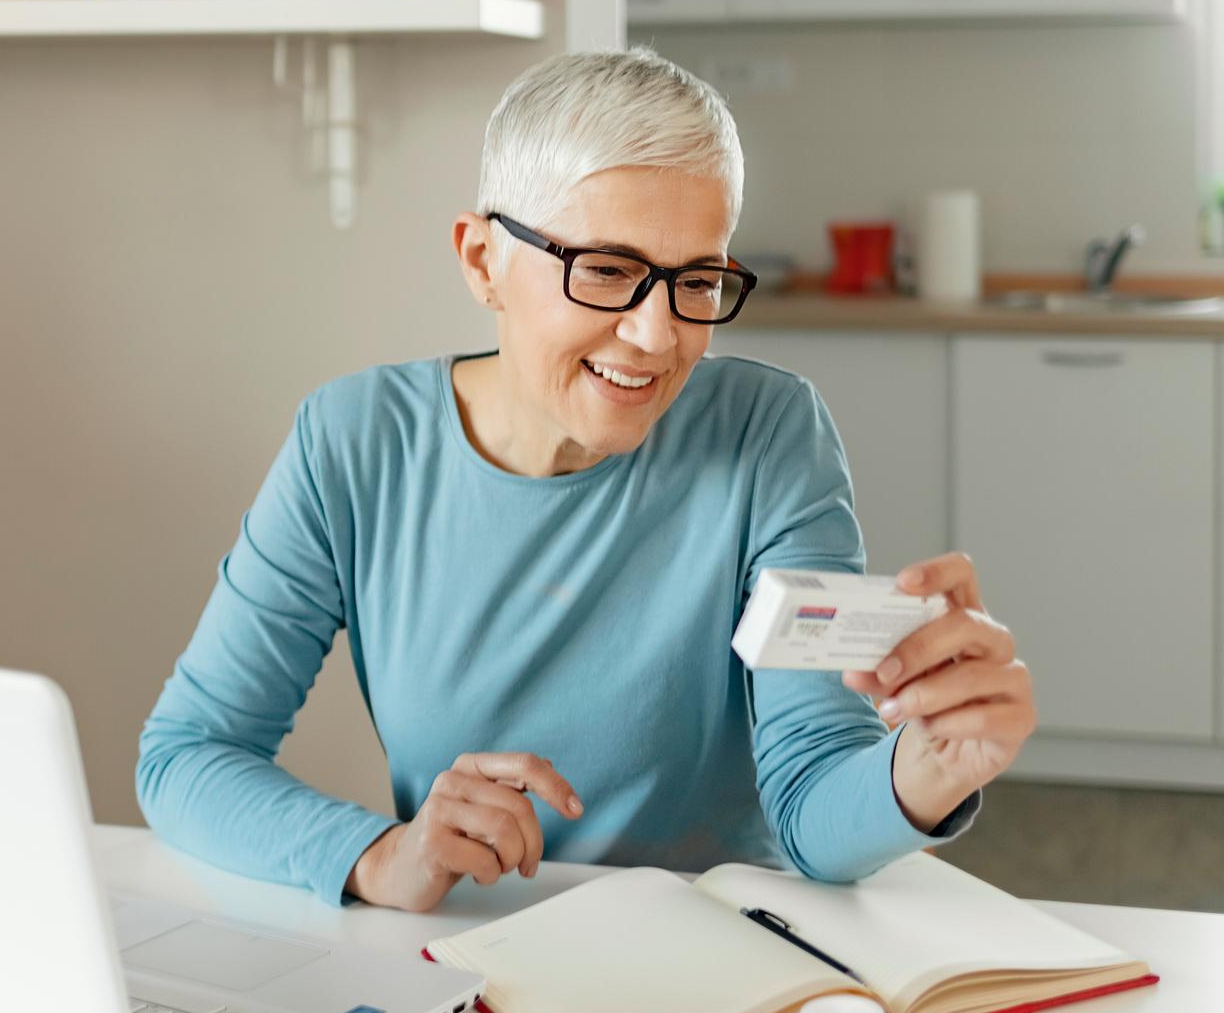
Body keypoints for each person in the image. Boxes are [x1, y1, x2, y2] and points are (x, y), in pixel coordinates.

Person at [136, 47, 1035, 912]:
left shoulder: (767, 435)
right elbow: (187, 755)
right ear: (483, 260)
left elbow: (809, 803)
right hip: (469, 951)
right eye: (606, 270)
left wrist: (929, 768)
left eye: (698, 281)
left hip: (710, 958)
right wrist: (376, 857)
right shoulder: (354, 443)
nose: (657, 335)